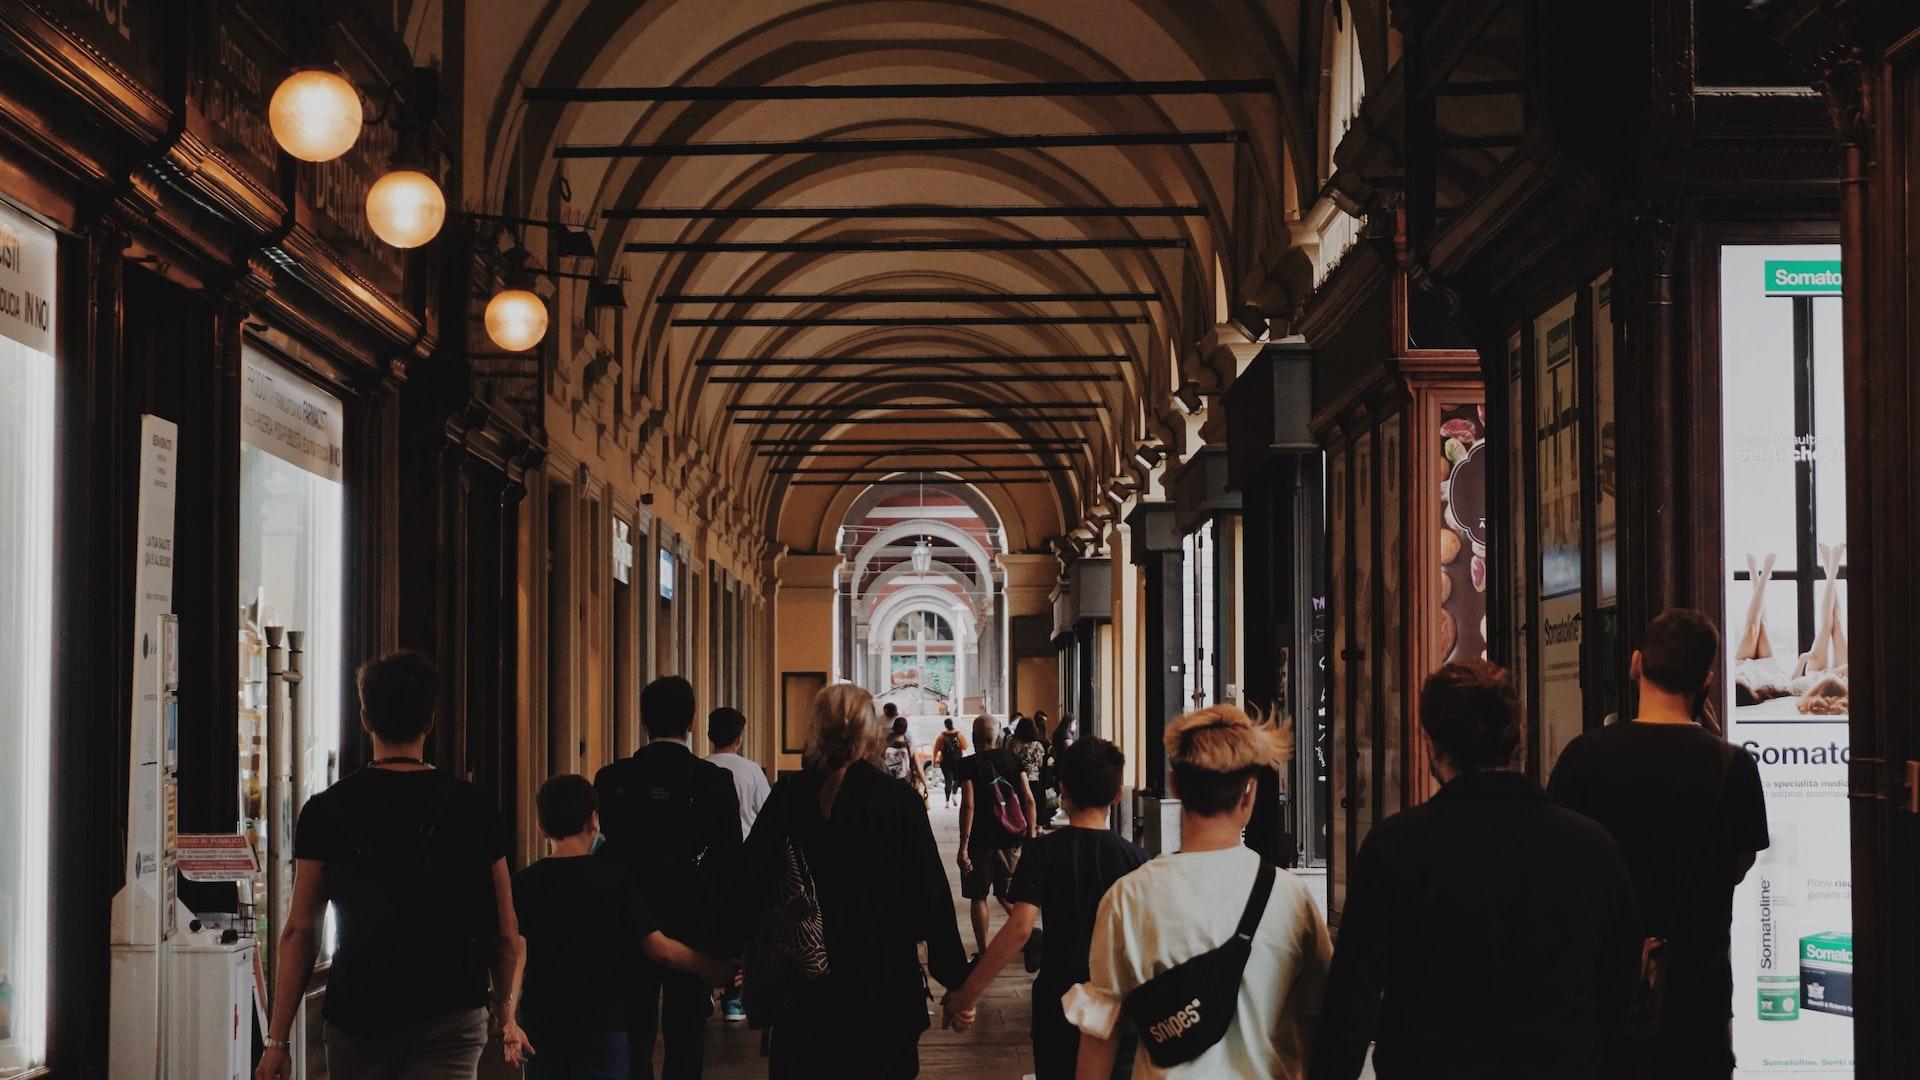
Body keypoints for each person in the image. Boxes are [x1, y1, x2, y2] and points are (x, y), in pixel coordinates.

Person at [1311, 661, 1643, 1080]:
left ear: (1430, 743)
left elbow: (1351, 1004)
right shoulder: (1591, 848)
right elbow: (1621, 989)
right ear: (1517, 735)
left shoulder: (1394, 849)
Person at [257, 650, 524, 1080]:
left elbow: (301, 931)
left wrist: (277, 1041)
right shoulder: (474, 806)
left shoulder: (325, 811)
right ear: (430, 721)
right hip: (452, 1007)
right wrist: (503, 1004)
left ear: (366, 719)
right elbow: (506, 928)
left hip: (359, 1013)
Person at [1549, 609, 1770, 1080]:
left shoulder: (1583, 757)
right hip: (1696, 994)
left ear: (1635, 664)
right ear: (1706, 681)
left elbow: (1558, 872)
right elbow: (1739, 864)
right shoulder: (1733, 766)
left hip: (1601, 991)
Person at [1065, 704, 1329, 1080]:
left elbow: (1100, 1032)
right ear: (1249, 793)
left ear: (1175, 786)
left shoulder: (1129, 897)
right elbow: (1316, 1021)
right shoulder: (1291, 897)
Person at [730, 684, 974, 1077]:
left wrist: (728, 957)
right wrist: (957, 982)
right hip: (886, 991)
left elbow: (748, 881)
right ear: (873, 733)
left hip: (805, 995)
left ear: (815, 732)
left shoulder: (789, 796)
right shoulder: (900, 803)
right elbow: (931, 899)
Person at [941, 737, 1148, 1079]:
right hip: (1118, 1006)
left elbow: (1020, 928)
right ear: (1117, 795)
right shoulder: (1137, 859)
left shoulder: (1042, 853)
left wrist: (968, 994)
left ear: (1062, 788)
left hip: (1059, 1002)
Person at [505, 775, 735, 1079]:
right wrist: (713, 967)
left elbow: (516, 953)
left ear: (541, 827)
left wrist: (509, 1018)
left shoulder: (524, 882)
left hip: (542, 1026)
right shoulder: (615, 879)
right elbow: (660, 950)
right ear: (594, 821)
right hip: (603, 1024)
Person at [594, 676, 742, 1080]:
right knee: (687, 1032)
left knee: (633, 1031)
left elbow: (605, 853)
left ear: (644, 721)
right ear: (692, 722)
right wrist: (728, 940)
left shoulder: (611, 779)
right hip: (693, 919)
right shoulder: (713, 781)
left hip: (628, 918)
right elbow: (729, 861)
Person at [705, 706, 771, 1024]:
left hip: (706, 862)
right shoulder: (751, 771)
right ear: (739, 738)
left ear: (709, 735)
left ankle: (704, 989)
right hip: (744, 860)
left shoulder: (701, 768)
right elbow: (766, 815)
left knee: (707, 926)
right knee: (739, 931)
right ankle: (734, 998)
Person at [959, 713, 1038, 956]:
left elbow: (969, 805)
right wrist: (1031, 837)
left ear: (974, 737)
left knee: (978, 896)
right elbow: (1029, 799)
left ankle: (984, 952)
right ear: (996, 737)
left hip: (980, 842)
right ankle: (1030, 937)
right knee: (1008, 896)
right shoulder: (1013, 759)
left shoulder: (969, 763)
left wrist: (963, 845)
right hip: (1011, 840)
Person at [884, 712, 929, 799]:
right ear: (905, 730)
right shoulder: (909, 747)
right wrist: (925, 786)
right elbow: (919, 769)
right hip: (905, 785)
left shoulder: (884, 747)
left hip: (888, 785)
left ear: (893, 729)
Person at [933, 717, 969, 808]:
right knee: (957, 779)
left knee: (948, 780)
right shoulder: (959, 734)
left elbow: (936, 749)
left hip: (945, 761)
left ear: (945, 725)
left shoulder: (942, 736)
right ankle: (954, 795)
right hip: (957, 760)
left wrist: (934, 761)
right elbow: (965, 746)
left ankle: (947, 801)